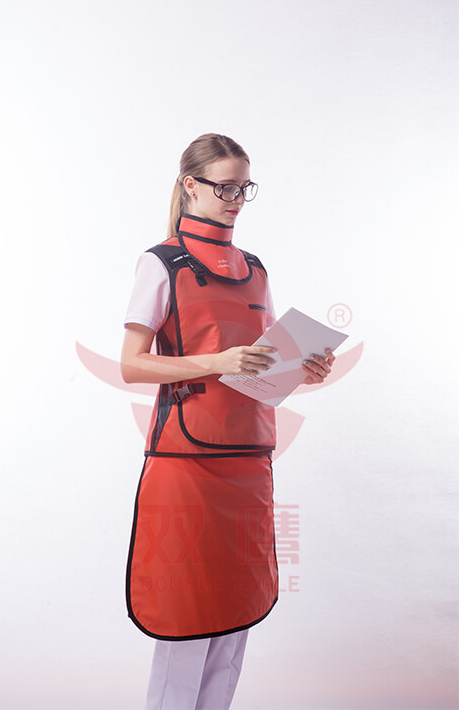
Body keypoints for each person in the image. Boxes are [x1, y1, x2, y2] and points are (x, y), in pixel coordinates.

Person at [120, 133, 335, 710]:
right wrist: (216, 362)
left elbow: (261, 364)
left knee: (235, 613)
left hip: (248, 458)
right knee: (187, 615)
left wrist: (303, 368)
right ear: (190, 185)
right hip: (185, 463)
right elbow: (131, 364)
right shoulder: (163, 263)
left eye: (244, 188)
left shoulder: (255, 269)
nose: (237, 199)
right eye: (225, 187)